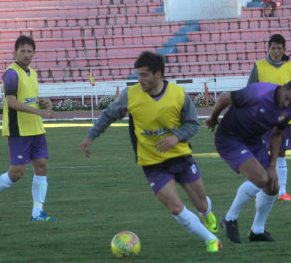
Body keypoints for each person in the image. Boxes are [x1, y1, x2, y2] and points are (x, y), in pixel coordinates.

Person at [79, 51, 222, 252]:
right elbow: (108, 115)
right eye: (138, 75)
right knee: (174, 207)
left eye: (144, 75)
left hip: (180, 156)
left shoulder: (178, 95)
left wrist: (176, 137)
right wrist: (90, 136)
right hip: (152, 162)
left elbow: (193, 125)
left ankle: (207, 214)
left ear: (158, 74)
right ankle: (211, 240)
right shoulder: (130, 95)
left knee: (200, 204)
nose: (140, 79)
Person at [205, 78, 291, 243]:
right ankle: (230, 218)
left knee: (273, 186)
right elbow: (225, 98)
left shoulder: (290, 108)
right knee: (261, 178)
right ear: (283, 87)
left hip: (253, 141)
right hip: (230, 138)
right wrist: (213, 118)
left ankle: (257, 231)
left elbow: (277, 134)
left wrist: (273, 165)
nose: (286, 104)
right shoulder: (258, 93)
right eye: (286, 98)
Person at [0, 35, 57, 222]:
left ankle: (37, 213)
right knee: (17, 173)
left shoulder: (32, 73)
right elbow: (12, 102)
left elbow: (28, 97)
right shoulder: (11, 73)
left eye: (29, 51)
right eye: (22, 51)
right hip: (19, 130)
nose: (26, 55)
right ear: (15, 52)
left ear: (33, 54)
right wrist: (38, 112)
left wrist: (41, 102)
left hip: (36, 129)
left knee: (42, 166)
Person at [247, 33, 291, 201]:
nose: (276, 52)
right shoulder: (259, 66)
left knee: (280, 153)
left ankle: (282, 192)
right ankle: (260, 192)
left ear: (284, 49)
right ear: (268, 49)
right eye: (273, 48)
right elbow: (250, 90)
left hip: (284, 117)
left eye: (279, 48)